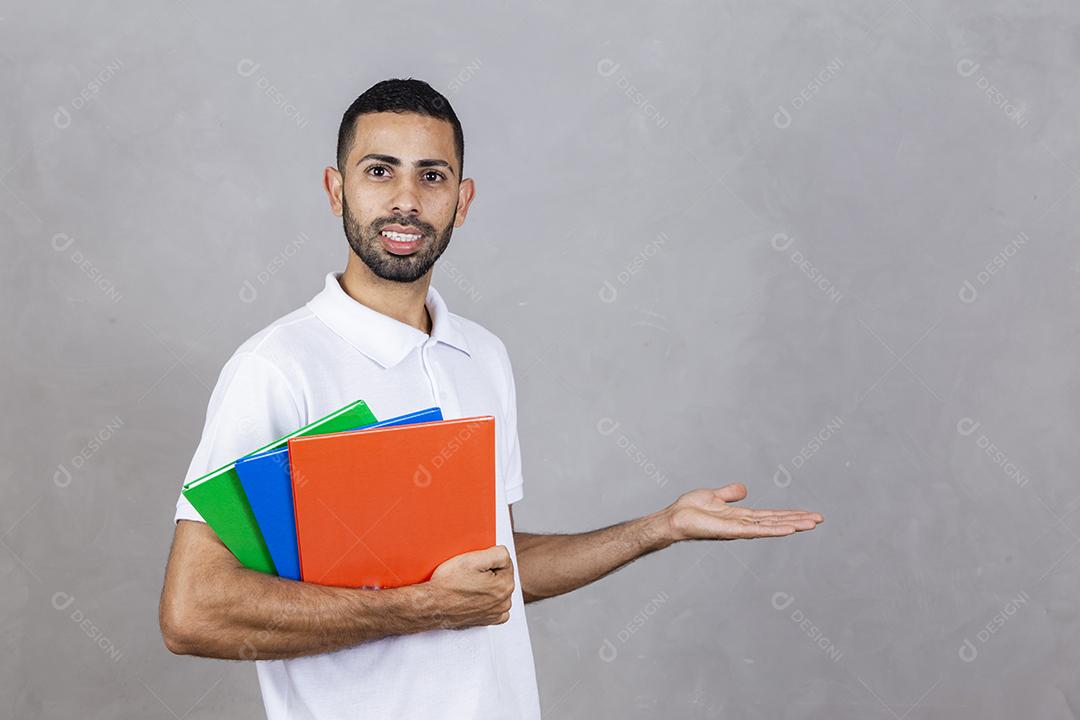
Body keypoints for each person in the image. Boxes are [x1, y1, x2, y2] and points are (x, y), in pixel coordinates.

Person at [158, 78, 824, 720]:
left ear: (463, 200)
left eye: (432, 176)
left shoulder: (482, 357)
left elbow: (490, 569)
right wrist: (423, 608)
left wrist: (657, 529)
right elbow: (192, 612)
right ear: (336, 190)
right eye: (379, 171)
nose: (406, 201)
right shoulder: (278, 368)